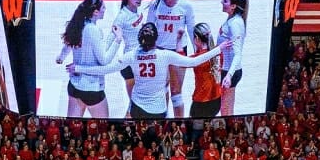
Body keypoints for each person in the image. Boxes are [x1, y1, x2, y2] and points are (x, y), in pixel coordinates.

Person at [70, 22, 225, 119]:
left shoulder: (131, 55)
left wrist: (78, 67)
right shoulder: (164, 55)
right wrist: (218, 49)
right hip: (158, 109)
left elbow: (105, 69)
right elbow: (194, 61)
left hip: (137, 107)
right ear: (156, 39)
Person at [55, 0, 124, 118]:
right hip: (92, 89)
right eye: (103, 7)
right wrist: (118, 40)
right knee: (102, 128)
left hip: (74, 86)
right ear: (96, 12)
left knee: (72, 128)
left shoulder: (78, 24)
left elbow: (68, 46)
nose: (105, 9)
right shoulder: (93, 30)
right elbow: (104, 60)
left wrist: (60, 58)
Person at [145, 0, 196, 117]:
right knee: (161, 88)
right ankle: (165, 120)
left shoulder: (186, 5)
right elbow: (149, 27)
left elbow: (191, 30)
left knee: (176, 90)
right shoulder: (155, 4)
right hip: (160, 50)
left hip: (178, 51)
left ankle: (179, 123)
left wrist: (198, 52)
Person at [113, 0, 145, 116]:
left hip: (141, 60)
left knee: (137, 104)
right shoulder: (122, 17)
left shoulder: (138, 9)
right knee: (134, 104)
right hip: (130, 63)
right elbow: (110, 40)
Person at [217, 0, 248, 116]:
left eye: (225, 1)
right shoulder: (232, 19)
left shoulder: (235, 24)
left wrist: (229, 75)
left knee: (226, 110)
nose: (221, 2)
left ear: (233, 6)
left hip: (230, 71)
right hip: (226, 69)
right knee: (226, 108)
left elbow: (238, 54)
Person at [187, 23, 222, 118]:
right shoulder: (218, 52)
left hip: (202, 101)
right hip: (217, 101)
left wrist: (178, 40)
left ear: (197, 38)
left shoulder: (198, 58)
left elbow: (181, 63)